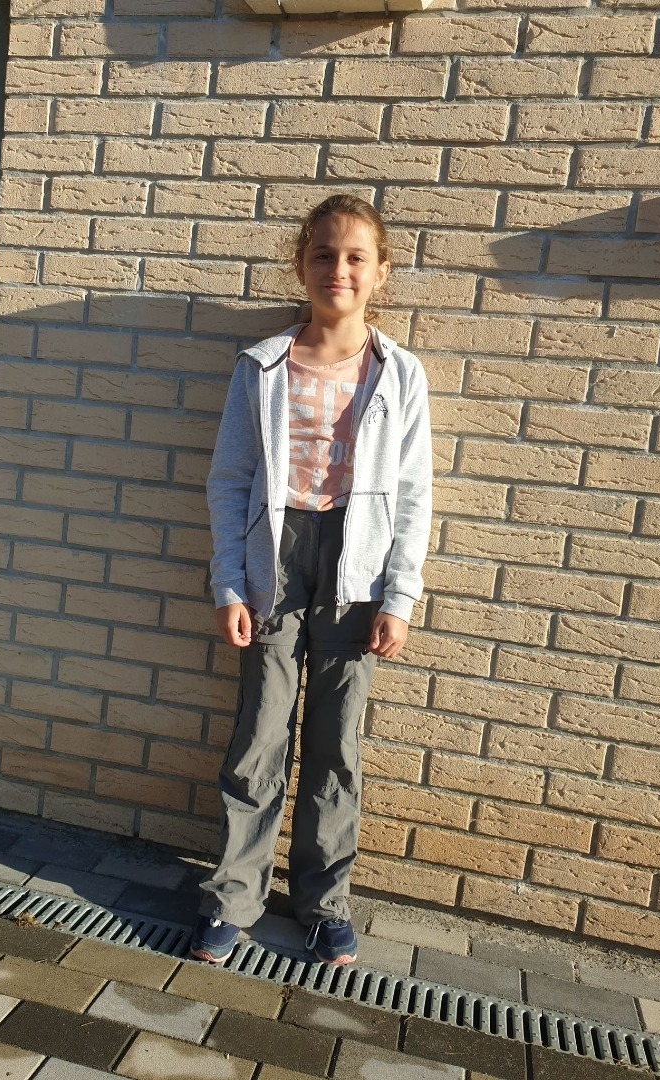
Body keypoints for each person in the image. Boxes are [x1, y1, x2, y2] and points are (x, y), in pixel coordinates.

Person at [191, 194, 432, 966]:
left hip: (357, 567)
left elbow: (414, 493)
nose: (339, 269)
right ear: (301, 265)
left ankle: (324, 903)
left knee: (336, 743)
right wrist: (230, 584)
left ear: (381, 272)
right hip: (275, 558)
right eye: (324, 254)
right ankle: (234, 897)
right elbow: (231, 479)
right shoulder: (263, 366)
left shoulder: (399, 374)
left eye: (356, 257)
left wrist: (400, 596)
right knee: (260, 733)